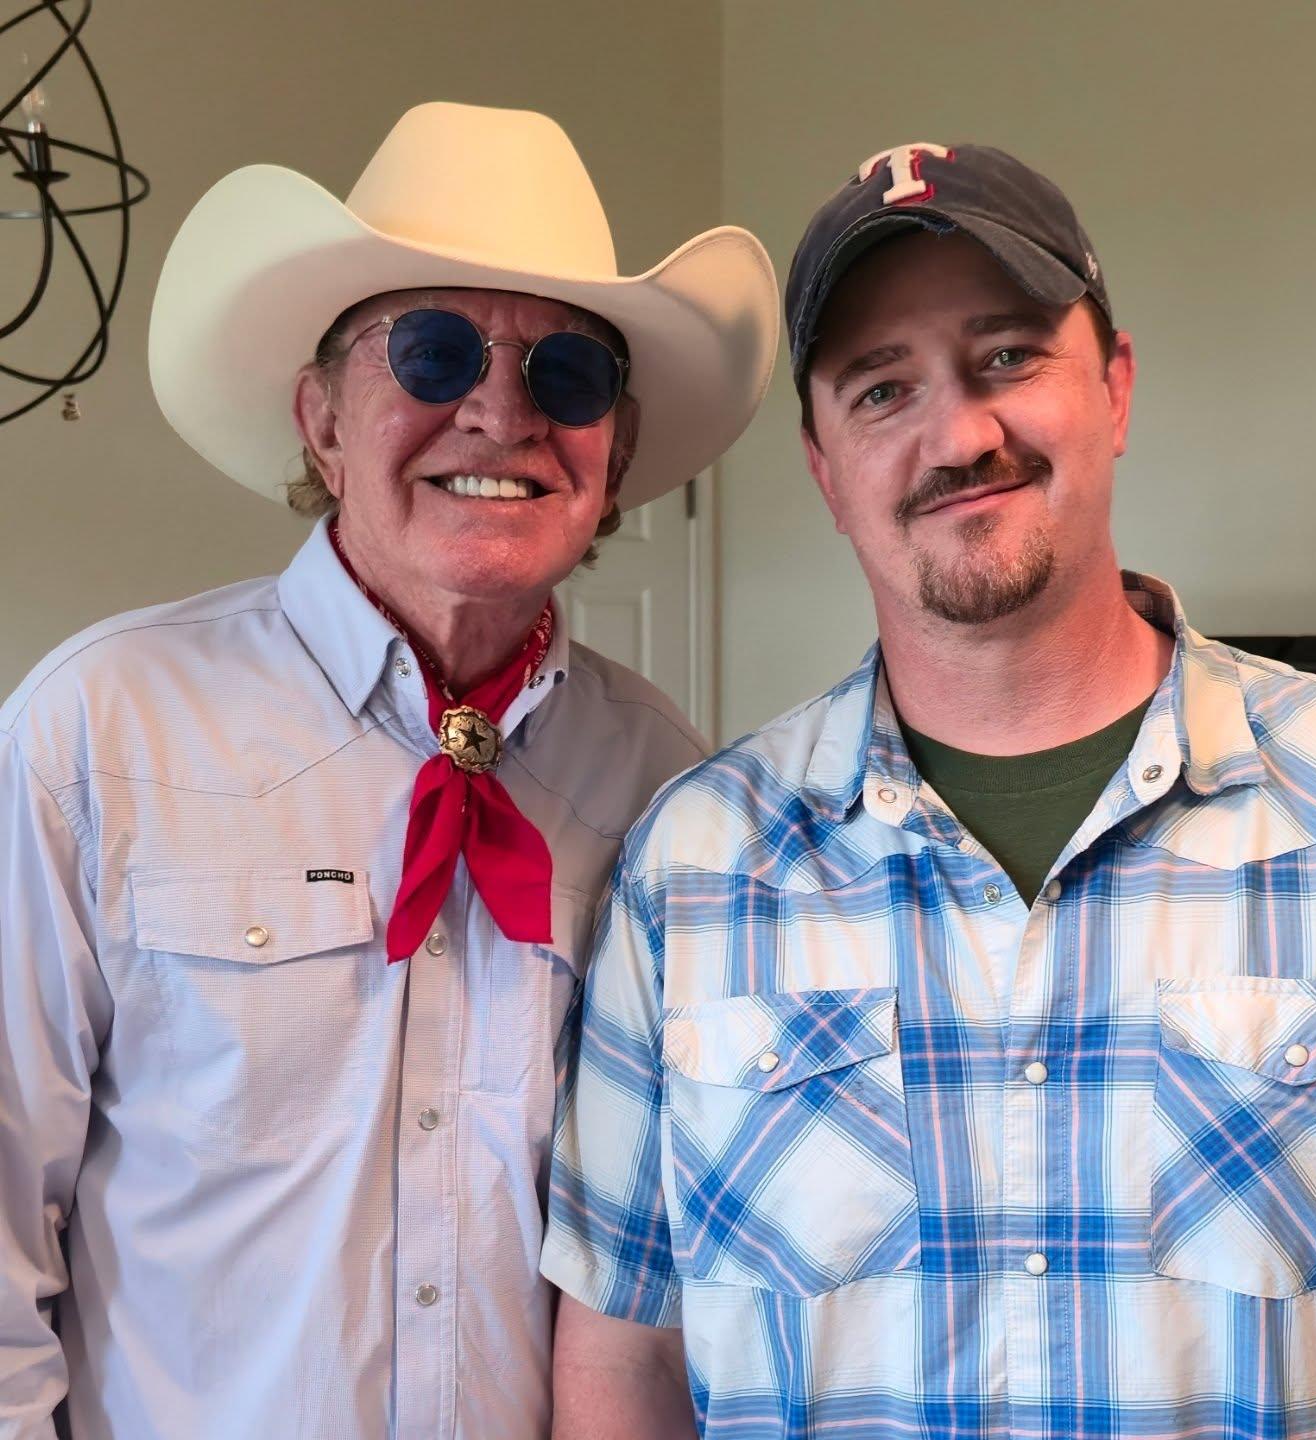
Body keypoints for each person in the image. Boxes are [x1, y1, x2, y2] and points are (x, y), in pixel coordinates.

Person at [542, 140, 1316, 1437]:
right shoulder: (697, 868)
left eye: (1009, 357)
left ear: (1117, 388)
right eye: (881, 387)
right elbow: (625, 1365)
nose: (960, 435)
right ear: (824, 464)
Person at [0, 102, 776, 1439]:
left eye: (570, 375)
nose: (499, 411)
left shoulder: (666, 784)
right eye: (430, 353)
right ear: (321, 421)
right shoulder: (97, 733)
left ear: (617, 455)